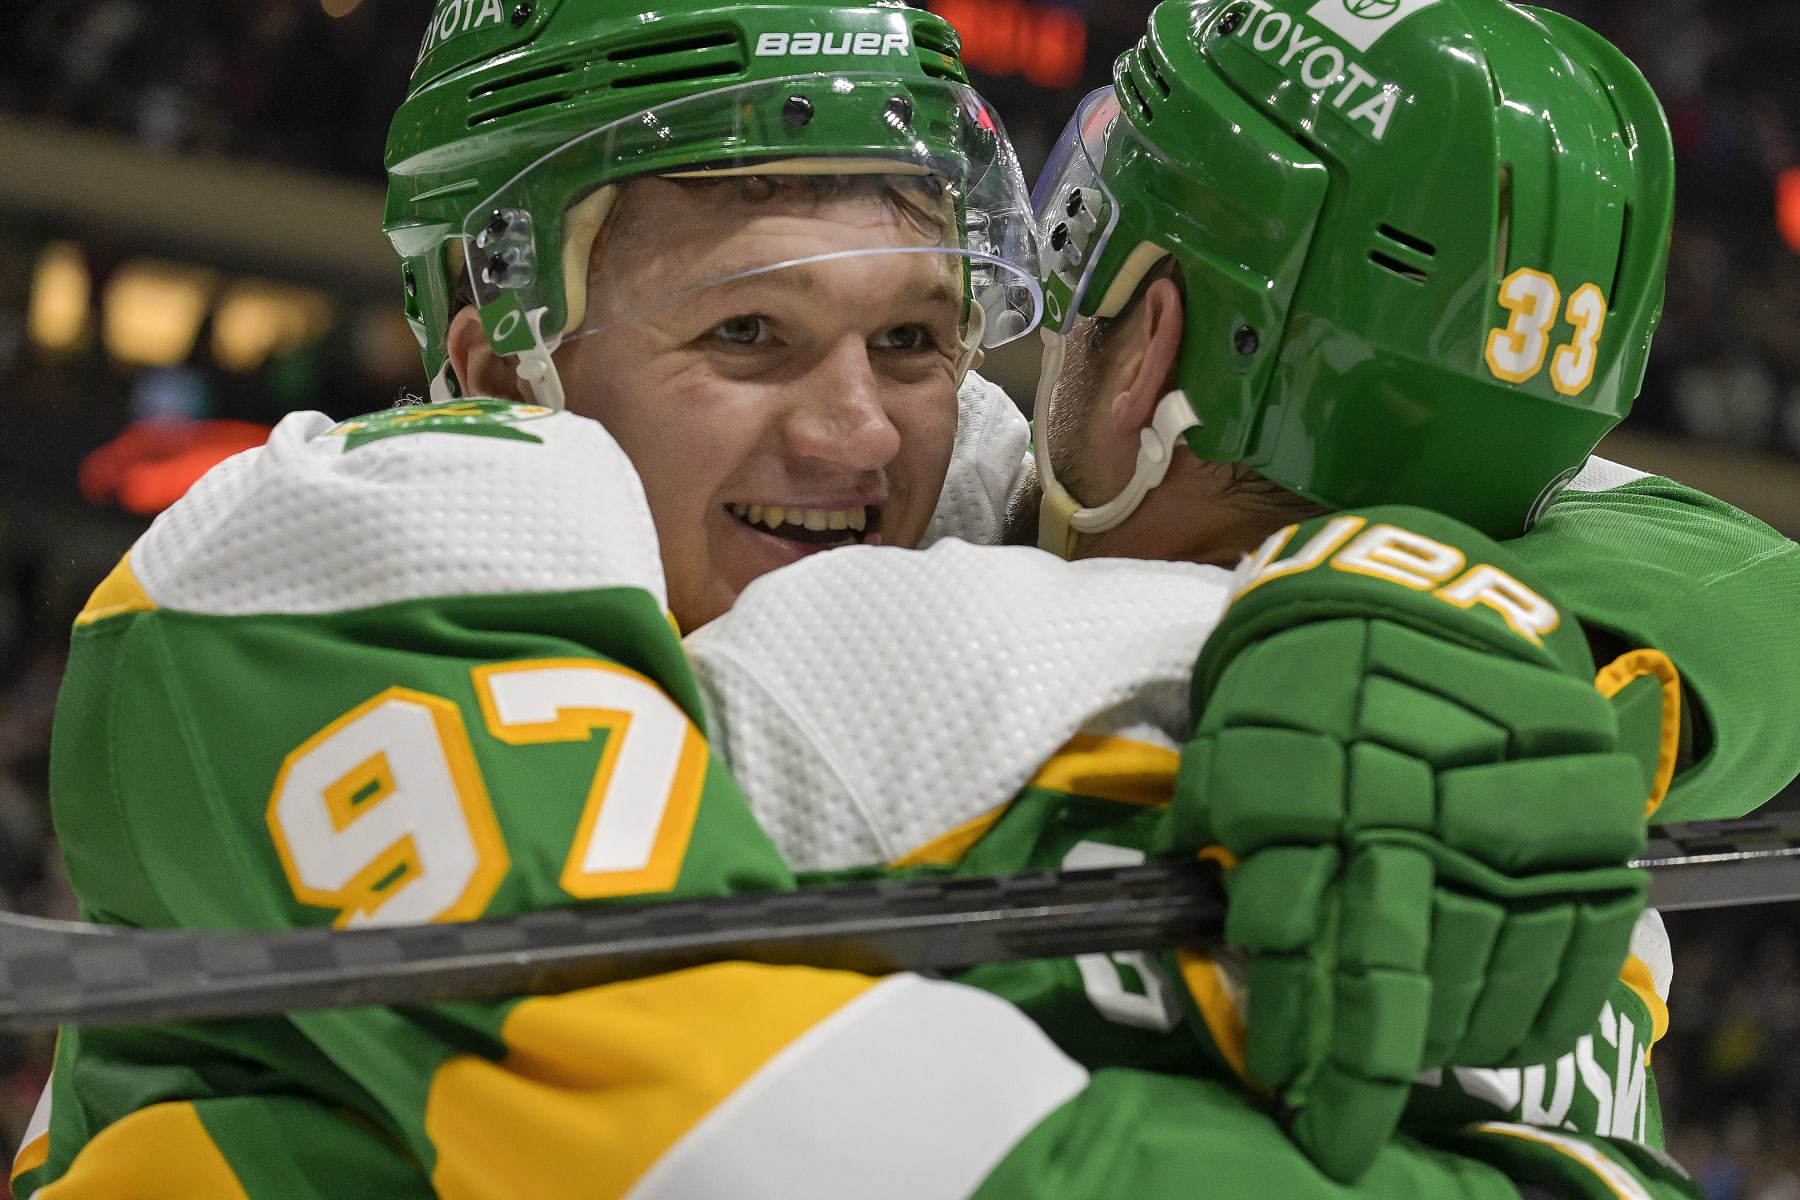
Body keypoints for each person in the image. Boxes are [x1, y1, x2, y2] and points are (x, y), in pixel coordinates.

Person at [9, 2, 1785, 1199]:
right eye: (748, 336)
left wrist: (1474, 628)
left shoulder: (977, 504)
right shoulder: (336, 547)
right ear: (499, 355)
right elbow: (744, 1120)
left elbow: (1706, 562)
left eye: (919, 336)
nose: (862, 426)